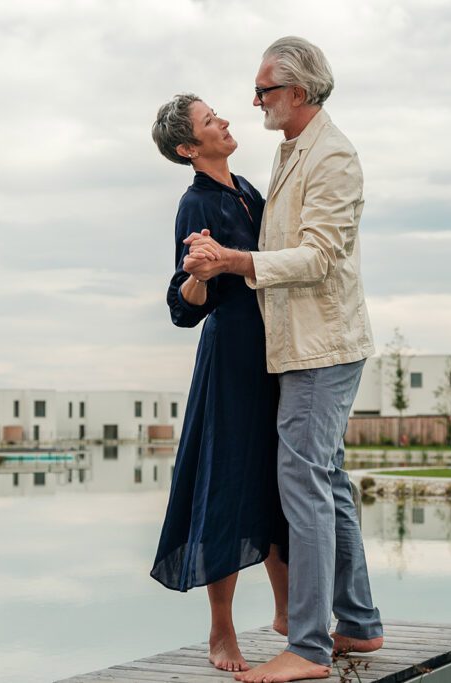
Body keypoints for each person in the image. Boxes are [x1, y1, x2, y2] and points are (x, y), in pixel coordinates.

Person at [182, 37, 384, 683]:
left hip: (321, 345)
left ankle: (309, 646)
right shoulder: (290, 150)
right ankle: (357, 622)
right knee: (326, 481)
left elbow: (320, 255)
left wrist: (235, 262)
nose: (253, 101)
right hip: (299, 344)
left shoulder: (333, 156)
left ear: (297, 92)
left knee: (303, 484)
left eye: (264, 90)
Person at [149, 93, 289, 674]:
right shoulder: (195, 203)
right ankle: (221, 632)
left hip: (277, 354)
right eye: (210, 121)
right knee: (226, 485)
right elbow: (185, 307)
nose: (225, 120)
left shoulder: (249, 191)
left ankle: (288, 617)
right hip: (231, 359)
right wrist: (198, 277)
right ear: (189, 147)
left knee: (282, 483)